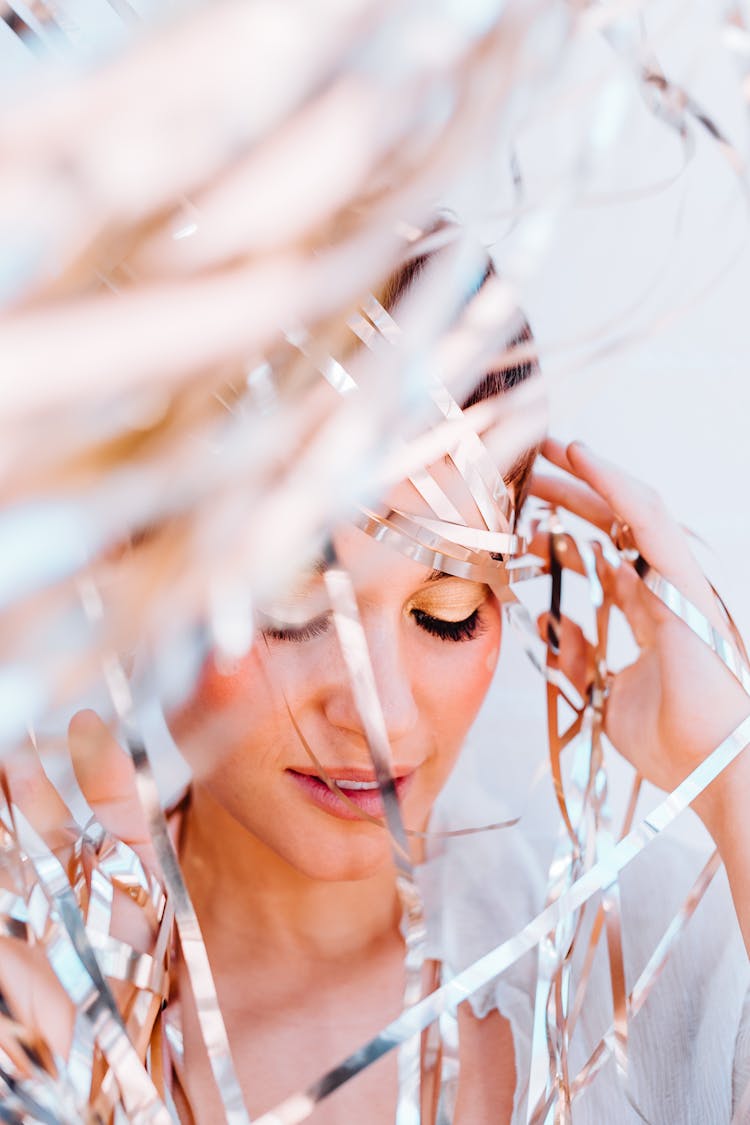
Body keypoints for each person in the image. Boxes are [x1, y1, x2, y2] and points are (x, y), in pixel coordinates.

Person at [2, 242, 750, 1125]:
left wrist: (732, 772)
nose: (380, 712)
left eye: (446, 612)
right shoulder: (36, 991)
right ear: (131, 563)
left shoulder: (666, 959)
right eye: (290, 603)